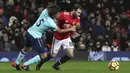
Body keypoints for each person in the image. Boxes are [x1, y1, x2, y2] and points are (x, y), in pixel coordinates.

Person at [11, 3, 76, 71]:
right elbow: (59, 31)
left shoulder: (45, 11)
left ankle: (16, 63)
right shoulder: (50, 22)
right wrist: (70, 29)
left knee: (26, 48)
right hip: (35, 36)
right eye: (58, 14)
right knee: (44, 55)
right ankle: (25, 65)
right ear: (54, 13)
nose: (59, 15)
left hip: (29, 32)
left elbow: (49, 11)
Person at [36, 4, 83, 70]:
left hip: (66, 38)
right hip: (58, 38)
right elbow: (53, 17)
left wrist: (73, 33)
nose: (79, 14)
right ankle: (40, 63)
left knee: (70, 55)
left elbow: (74, 27)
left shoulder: (78, 19)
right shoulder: (63, 15)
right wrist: (55, 23)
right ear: (73, 10)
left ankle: (56, 65)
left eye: (80, 13)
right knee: (53, 55)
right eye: (78, 12)